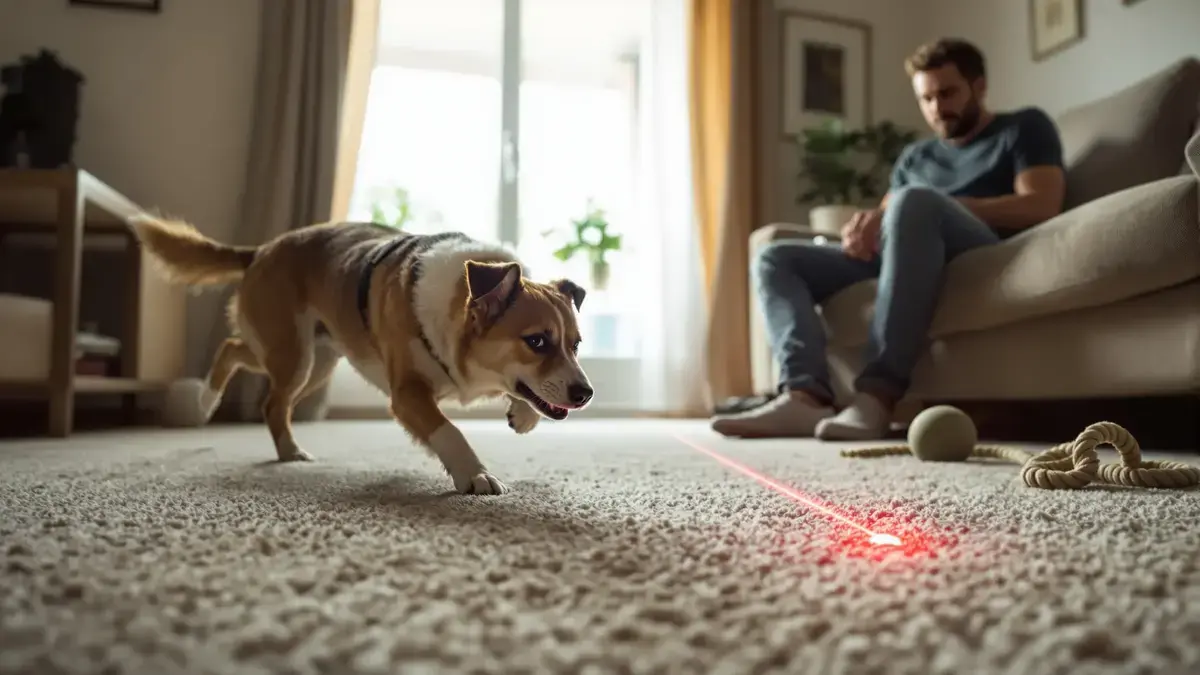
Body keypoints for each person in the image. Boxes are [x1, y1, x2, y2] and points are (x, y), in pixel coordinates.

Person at [711, 37, 1066, 440]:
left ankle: (878, 395)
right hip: (906, 247)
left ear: (979, 86)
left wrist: (942, 203)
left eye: (947, 93)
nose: (937, 108)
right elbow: (887, 213)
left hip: (972, 243)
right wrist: (863, 228)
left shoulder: (1022, 127)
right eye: (926, 98)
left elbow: (1041, 204)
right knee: (775, 257)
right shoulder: (915, 157)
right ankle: (805, 396)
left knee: (914, 200)